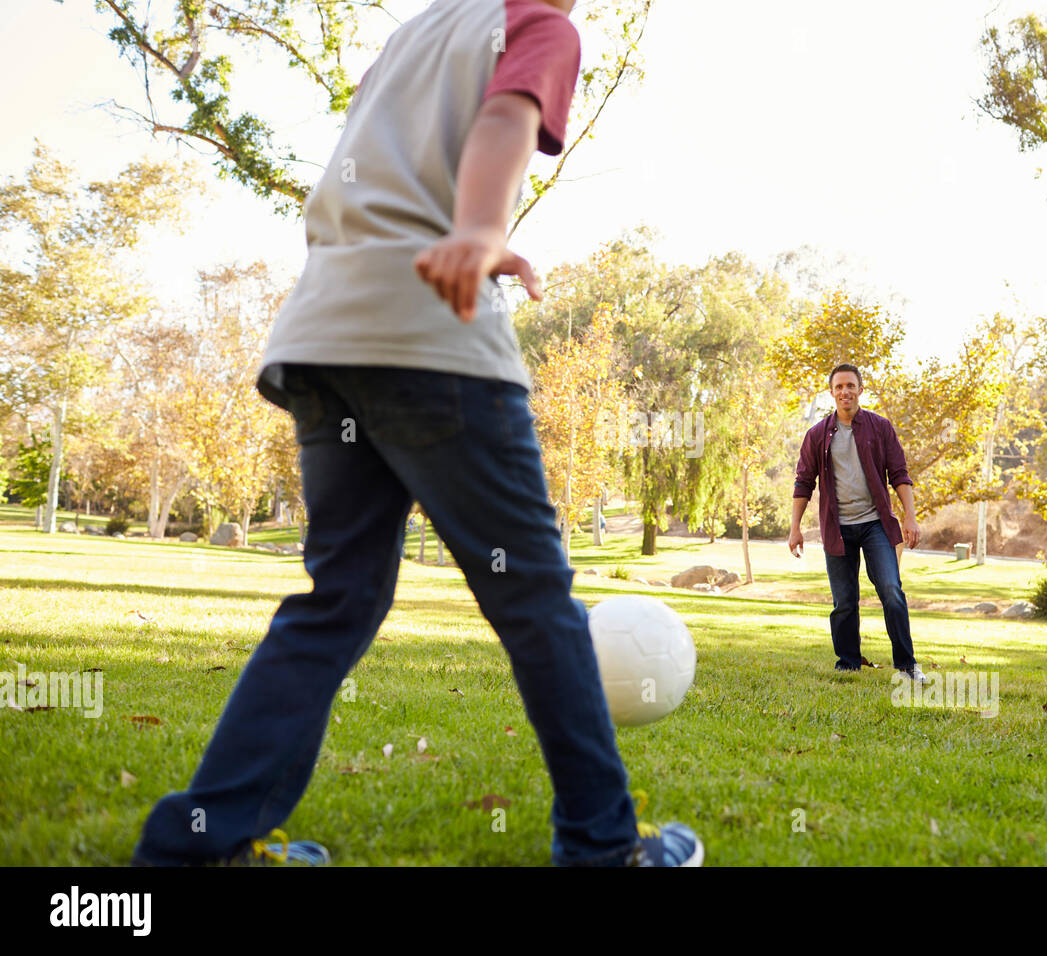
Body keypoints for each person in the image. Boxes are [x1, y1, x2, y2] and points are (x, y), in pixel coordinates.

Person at [131, 0, 701, 868]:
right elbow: (505, 119)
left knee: (337, 602)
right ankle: (603, 847)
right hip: (432, 339)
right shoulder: (541, 26)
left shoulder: (417, 32)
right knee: (537, 602)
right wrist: (479, 227)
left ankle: (198, 844)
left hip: (324, 335)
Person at [788, 364, 928, 683]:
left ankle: (907, 666)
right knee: (844, 601)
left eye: (850, 385)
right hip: (837, 528)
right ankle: (848, 662)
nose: (845, 392)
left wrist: (910, 516)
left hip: (875, 524)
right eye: (839, 387)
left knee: (891, 590)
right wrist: (795, 528)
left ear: (860, 390)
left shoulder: (880, 427)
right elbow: (803, 482)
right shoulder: (817, 435)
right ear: (832, 392)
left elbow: (900, 474)